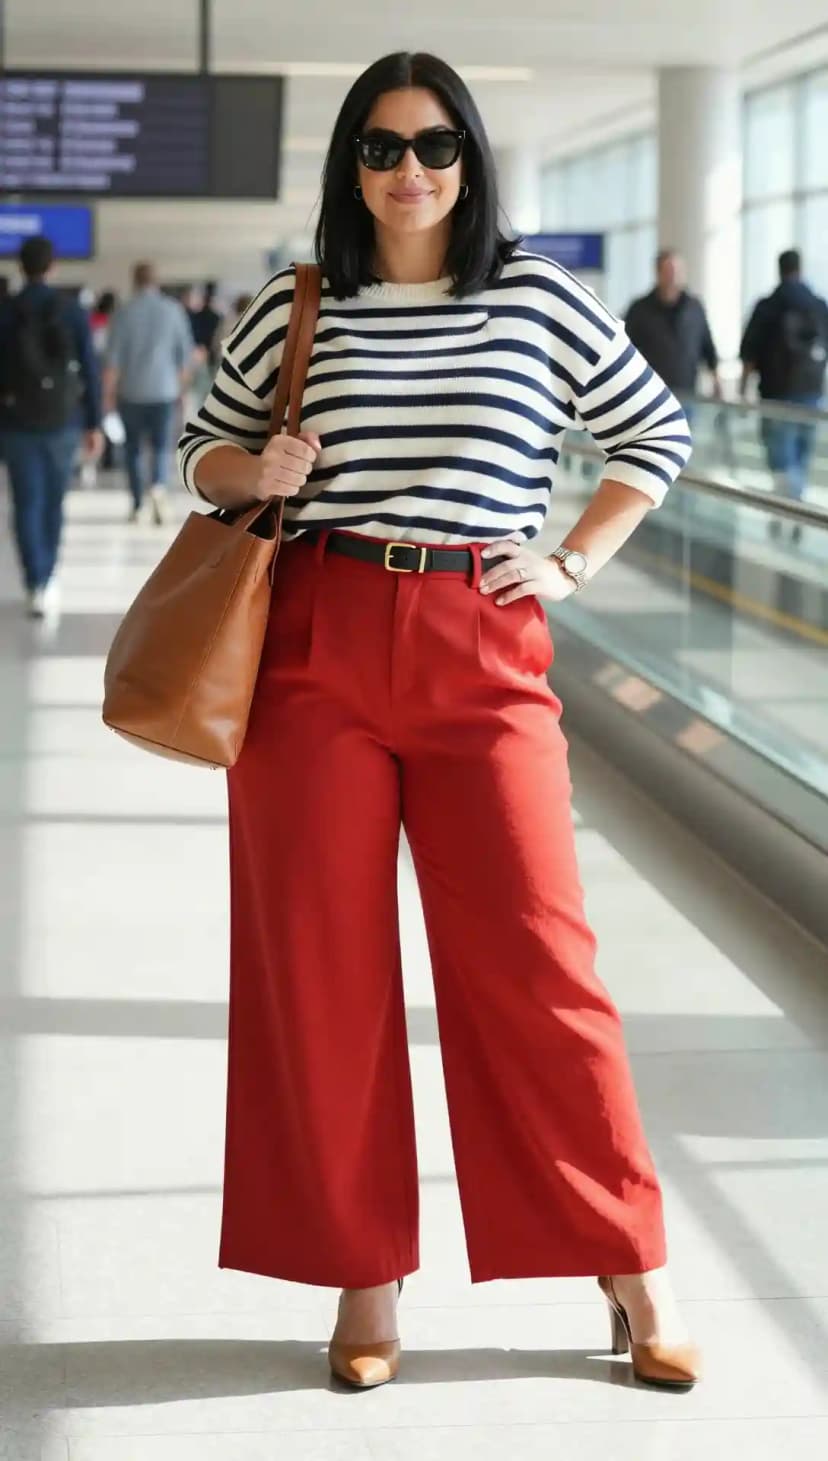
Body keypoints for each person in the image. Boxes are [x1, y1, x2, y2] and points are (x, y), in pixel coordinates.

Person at [177, 51, 699, 1393]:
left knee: (540, 961)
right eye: (380, 146)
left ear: (471, 159)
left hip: (484, 643)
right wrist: (260, 465)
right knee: (323, 970)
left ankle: (629, 1257)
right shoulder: (302, 302)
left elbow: (653, 434)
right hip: (314, 638)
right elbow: (201, 449)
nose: (409, 170)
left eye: (435, 145)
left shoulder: (533, 293)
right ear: (349, 166)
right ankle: (363, 1278)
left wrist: (573, 562)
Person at [0, 235, 102, 617]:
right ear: (53, 267)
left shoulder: (6, 311)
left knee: (26, 502)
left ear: (20, 267)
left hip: (15, 423)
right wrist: (93, 423)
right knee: (54, 502)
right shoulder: (71, 310)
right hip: (63, 421)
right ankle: (50, 576)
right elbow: (89, 369)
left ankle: (34, 582)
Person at [740, 249, 828, 541]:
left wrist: (743, 390)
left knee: (781, 459)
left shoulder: (768, 306)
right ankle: (797, 509)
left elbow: (750, 353)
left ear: (779, 270)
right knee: (801, 458)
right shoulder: (818, 305)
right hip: (812, 395)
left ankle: (784, 509)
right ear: (800, 269)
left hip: (776, 395)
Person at [102, 262, 194, 524]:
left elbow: (112, 362)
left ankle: (137, 503)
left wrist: (107, 397)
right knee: (162, 445)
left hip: (130, 392)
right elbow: (184, 358)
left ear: (134, 281)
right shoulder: (173, 311)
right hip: (164, 392)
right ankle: (158, 487)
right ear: (156, 281)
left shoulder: (123, 313)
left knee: (132, 449)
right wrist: (182, 390)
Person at [625, 250, 721, 410]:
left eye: (677, 271)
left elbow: (707, 345)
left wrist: (716, 379)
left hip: (687, 393)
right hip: (650, 395)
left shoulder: (694, 307)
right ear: (658, 273)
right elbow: (627, 350)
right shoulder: (640, 310)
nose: (673, 276)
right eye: (668, 271)